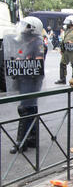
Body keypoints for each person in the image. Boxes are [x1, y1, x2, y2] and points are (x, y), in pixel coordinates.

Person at [7, 17, 45, 154]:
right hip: (24, 80)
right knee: (31, 109)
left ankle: (21, 142)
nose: (23, 30)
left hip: (32, 81)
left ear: (33, 28)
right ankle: (32, 138)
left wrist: (25, 62)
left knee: (25, 109)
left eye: (26, 27)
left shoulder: (38, 43)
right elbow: (21, 56)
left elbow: (38, 63)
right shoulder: (27, 42)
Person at [54, 15, 73, 86]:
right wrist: (62, 49)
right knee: (62, 64)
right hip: (66, 50)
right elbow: (64, 40)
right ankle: (62, 79)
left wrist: (72, 42)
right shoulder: (67, 30)